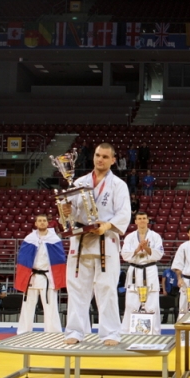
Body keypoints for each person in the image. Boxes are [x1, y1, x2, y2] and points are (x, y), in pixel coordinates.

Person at [62, 143, 131, 345]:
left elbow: (124, 214)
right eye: (98, 155)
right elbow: (74, 213)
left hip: (105, 240)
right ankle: (75, 331)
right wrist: (67, 212)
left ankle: (110, 333)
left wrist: (107, 225)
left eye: (105, 156)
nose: (100, 159)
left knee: (106, 288)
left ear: (113, 160)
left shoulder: (118, 185)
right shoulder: (79, 182)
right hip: (81, 241)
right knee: (76, 288)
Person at [14, 214, 66, 334]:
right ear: (36, 223)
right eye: (39, 221)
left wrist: (58, 278)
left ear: (48, 223)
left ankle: (53, 333)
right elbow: (23, 260)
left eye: (44, 220)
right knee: (27, 305)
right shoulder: (29, 239)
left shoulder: (54, 239)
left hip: (48, 277)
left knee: (50, 305)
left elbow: (60, 260)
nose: (42, 222)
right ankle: (23, 332)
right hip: (32, 276)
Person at [120, 212, 164, 334]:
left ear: (148, 220)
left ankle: (154, 333)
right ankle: (126, 333)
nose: (142, 220)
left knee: (152, 305)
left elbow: (159, 254)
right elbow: (124, 255)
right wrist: (138, 249)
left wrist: (146, 248)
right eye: (139, 218)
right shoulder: (129, 237)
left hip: (150, 270)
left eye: (144, 218)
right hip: (134, 270)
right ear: (135, 221)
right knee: (130, 304)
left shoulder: (155, 236)